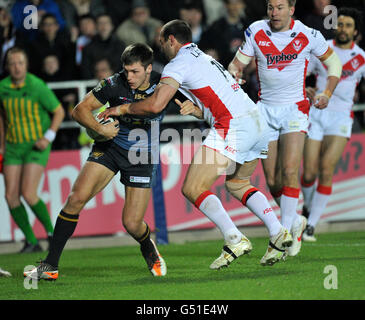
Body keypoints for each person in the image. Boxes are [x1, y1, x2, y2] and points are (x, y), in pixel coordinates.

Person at [100, 19, 294, 269]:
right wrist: (200, 111)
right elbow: (220, 96)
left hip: (233, 125)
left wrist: (121, 108)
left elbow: (155, 105)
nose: (161, 47)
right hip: (255, 120)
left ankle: (234, 238)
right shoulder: (202, 56)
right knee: (237, 183)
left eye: (162, 42)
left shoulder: (177, 64)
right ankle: (279, 232)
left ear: (171, 39)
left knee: (192, 187)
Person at [24, 43, 167, 281]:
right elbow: (79, 110)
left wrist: (200, 109)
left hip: (141, 156)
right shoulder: (114, 83)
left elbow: (196, 96)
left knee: (131, 223)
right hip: (109, 148)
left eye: (135, 72)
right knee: (75, 198)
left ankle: (147, 247)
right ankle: (50, 265)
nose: (129, 77)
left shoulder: (165, 85)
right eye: (126, 70)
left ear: (149, 68)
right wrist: (100, 128)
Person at [228, 0, 342, 257]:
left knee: (290, 170)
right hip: (265, 111)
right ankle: (295, 222)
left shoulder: (308, 34)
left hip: (295, 110)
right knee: (272, 181)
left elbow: (334, 64)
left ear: (291, 10)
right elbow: (236, 64)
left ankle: (283, 236)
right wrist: (234, 74)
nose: (274, 12)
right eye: (270, 7)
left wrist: (326, 92)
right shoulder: (256, 30)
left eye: (280, 7)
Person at [301, 7, 365, 241]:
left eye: (348, 25)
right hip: (316, 113)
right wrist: (303, 88)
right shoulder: (323, 50)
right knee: (308, 173)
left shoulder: (361, 57)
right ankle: (307, 209)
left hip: (341, 118)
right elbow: (301, 72)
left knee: (326, 169)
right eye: (340, 24)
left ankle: (311, 225)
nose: (343, 29)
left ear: (355, 32)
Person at [0, 47, 65, 253]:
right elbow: (1, 118)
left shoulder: (37, 85)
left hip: (36, 145)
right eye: (13, 63)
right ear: (7, 66)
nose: (17, 67)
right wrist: (2, 144)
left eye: (20, 63)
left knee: (28, 193)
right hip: (13, 146)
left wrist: (48, 137)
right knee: (11, 196)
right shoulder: (2, 87)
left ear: (26, 65)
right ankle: (31, 241)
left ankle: (52, 233)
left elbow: (59, 111)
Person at [80, 13, 125, 79]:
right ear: (96, 26)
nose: (103, 26)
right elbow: (85, 71)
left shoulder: (121, 46)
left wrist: (111, 73)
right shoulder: (87, 48)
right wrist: (98, 73)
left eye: (106, 23)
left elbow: (124, 67)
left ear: (112, 26)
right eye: (100, 23)